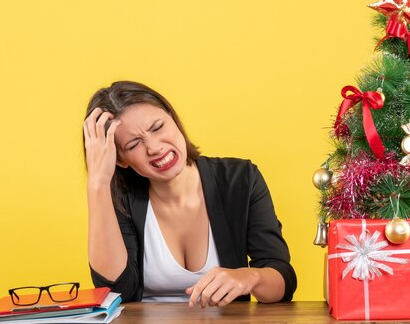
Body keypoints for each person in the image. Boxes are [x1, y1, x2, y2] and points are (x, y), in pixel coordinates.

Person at [83, 81, 296, 307]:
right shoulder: (121, 198)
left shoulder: (241, 179)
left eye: (157, 127)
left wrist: (250, 277)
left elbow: (283, 282)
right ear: (120, 159)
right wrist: (97, 184)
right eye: (134, 144)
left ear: (174, 119)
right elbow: (116, 293)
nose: (154, 147)